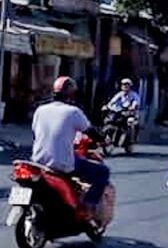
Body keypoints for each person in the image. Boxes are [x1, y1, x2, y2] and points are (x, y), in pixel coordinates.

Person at [32, 76, 110, 222]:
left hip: (38, 161)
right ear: (71, 94)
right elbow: (90, 131)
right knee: (102, 172)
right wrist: (103, 139)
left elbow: (36, 132)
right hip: (61, 164)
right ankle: (88, 207)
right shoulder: (73, 112)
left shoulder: (40, 110)